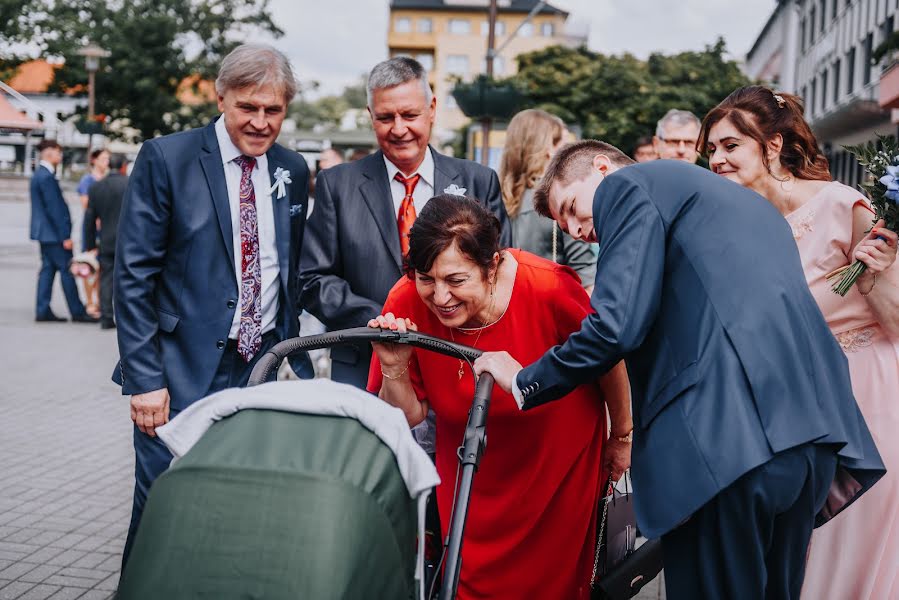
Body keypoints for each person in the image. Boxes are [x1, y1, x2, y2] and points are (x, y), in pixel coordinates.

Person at [473, 140, 885, 599]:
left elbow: (615, 327)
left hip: (729, 447)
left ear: (604, 169)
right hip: (810, 438)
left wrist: (524, 379)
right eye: (562, 223)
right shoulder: (750, 205)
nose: (573, 229)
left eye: (570, 207)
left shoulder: (628, 186)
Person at [367, 194, 631, 599]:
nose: (440, 297)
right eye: (426, 278)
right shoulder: (405, 300)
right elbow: (407, 415)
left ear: (492, 267)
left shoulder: (547, 287)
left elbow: (608, 359)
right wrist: (393, 364)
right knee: (465, 582)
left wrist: (623, 436)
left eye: (456, 281)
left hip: (556, 473)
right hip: (472, 481)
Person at [114, 43, 313, 568]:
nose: (261, 121)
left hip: (261, 368)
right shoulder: (168, 158)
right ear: (220, 97)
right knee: (162, 503)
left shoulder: (292, 168)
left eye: (273, 109)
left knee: (240, 503)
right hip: (177, 372)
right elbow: (133, 276)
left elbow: (287, 269)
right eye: (248, 107)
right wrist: (144, 380)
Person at [699, 85, 899, 600]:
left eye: (729, 146)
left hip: (864, 385)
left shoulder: (839, 203)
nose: (717, 160)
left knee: (850, 534)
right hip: (793, 398)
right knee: (800, 543)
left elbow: (897, 320)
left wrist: (876, 278)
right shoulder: (732, 225)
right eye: (712, 150)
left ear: (771, 145)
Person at [300, 56, 511, 389]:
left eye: (410, 115)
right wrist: (381, 318)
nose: (399, 129)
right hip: (365, 362)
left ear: (432, 109)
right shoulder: (337, 184)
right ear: (371, 117)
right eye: (386, 117)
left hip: (459, 360)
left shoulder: (479, 181)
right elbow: (312, 279)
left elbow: (500, 271)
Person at [499, 108, 595, 290]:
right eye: (565, 146)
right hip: (554, 308)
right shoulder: (561, 203)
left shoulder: (494, 199)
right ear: (549, 151)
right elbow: (585, 274)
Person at [29, 139, 97, 324]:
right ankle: (77, 311)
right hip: (55, 235)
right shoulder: (46, 177)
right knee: (68, 270)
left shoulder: (40, 175)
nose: (60, 156)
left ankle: (43, 310)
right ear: (49, 152)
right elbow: (54, 209)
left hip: (46, 234)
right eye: (58, 152)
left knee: (48, 271)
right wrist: (65, 236)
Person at [84, 154, 128, 329]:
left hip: (106, 240)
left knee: (106, 278)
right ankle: (126, 318)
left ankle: (106, 317)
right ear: (124, 165)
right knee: (127, 279)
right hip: (128, 241)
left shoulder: (96, 187)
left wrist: (90, 245)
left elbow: (89, 219)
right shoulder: (130, 184)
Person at [78, 148, 110, 318]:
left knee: (102, 268)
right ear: (94, 160)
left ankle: (98, 301)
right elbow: (86, 205)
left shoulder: (108, 179)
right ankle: (89, 301)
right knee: (88, 266)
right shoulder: (87, 180)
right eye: (104, 158)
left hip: (106, 230)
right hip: (92, 229)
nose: (107, 162)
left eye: (108, 159)